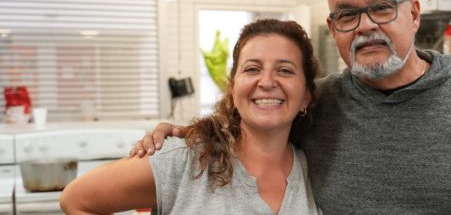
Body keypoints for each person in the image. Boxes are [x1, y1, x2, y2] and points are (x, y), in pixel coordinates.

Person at [132, 0, 451, 214]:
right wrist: (186, 134)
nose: (366, 27)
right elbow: (250, 130)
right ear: (334, 28)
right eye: (348, 15)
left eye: (382, 8)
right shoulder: (319, 103)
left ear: (413, 13)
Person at [60, 19, 321, 215]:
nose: (266, 82)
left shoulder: (315, 170)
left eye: (285, 70)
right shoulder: (184, 159)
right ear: (232, 87)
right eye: (252, 68)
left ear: (306, 96)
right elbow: (76, 199)